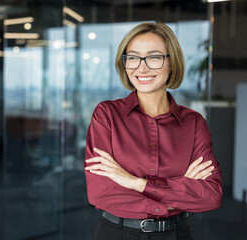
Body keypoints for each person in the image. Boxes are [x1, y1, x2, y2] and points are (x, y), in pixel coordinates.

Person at [84, 22, 222, 240]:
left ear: (172, 63)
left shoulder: (194, 123)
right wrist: (179, 190)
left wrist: (134, 182)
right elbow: (101, 193)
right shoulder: (107, 115)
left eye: (154, 57)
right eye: (133, 57)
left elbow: (211, 196)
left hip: (176, 235)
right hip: (116, 234)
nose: (142, 67)